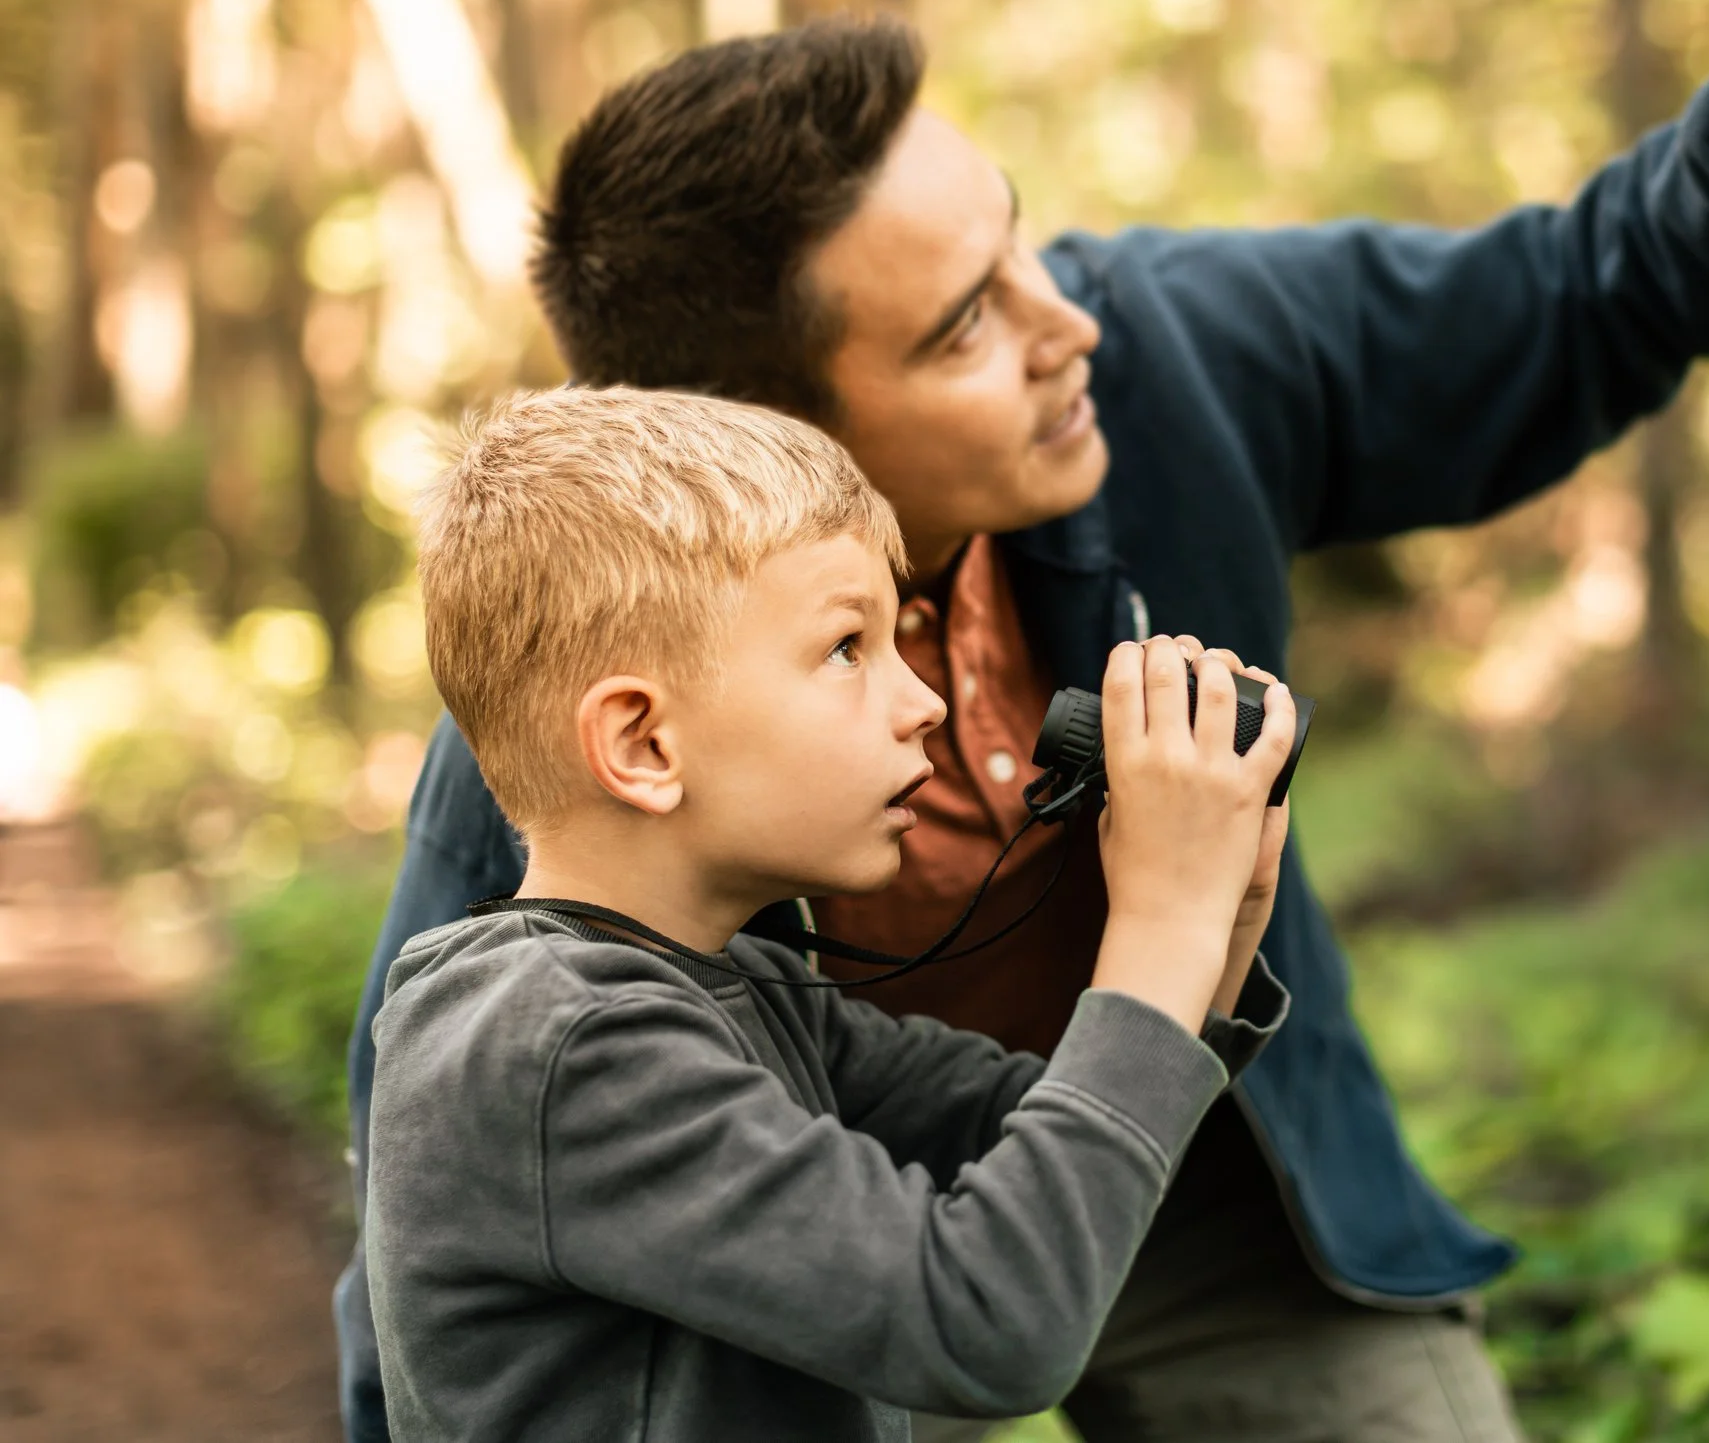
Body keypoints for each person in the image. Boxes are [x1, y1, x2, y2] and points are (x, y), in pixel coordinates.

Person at [336, 0, 1709, 1442]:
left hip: (1181, 1152)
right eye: (964, 325)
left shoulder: (1169, 350)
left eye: (1017, 237)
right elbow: (421, 1231)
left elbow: (1564, 303)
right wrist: (1162, 932)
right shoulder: (565, 729)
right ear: (767, 427)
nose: (1064, 319)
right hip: (839, 1236)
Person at [369, 384, 1295, 1443]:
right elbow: (989, 1317)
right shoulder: (550, 1042)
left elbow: (1057, 1143)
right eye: (848, 647)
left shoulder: (744, 992)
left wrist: (1214, 928)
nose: (925, 701)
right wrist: (1159, 926)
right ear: (643, 745)